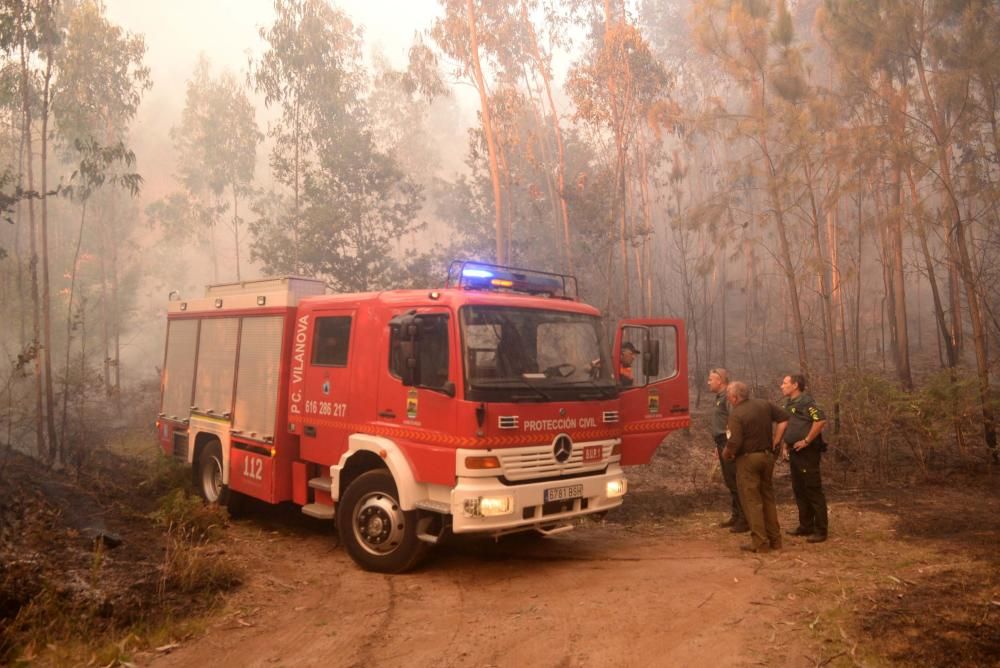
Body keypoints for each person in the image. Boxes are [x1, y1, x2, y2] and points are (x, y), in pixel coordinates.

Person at [722, 381, 789, 554]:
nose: (728, 399)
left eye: (729, 396)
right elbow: (784, 418)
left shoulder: (736, 414)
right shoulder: (764, 404)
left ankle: (759, 543)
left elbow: (735, 441)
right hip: (767, 457)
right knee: (767, 498)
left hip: (748, 460)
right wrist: (777, 440)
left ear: (735, 397)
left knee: (752, 501)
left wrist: (726, 454)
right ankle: (776, 540)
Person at [774, 374, 829, 543]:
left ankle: (820, 530)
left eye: (784, 383)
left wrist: (806, 441)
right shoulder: (789, 403)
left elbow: (820, 420)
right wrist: (785, 445)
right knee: (799, 489)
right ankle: (805, 526)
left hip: (807, 453)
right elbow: (791, 425)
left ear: (795, 385)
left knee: (812, 489)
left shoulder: (806, 402)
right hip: (794, 452)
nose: (781, 386)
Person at [707, 368, 747, 533]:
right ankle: (736, 515)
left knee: (736, 481)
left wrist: (730, 446)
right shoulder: (719, 398)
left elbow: (734, 422)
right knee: (730, 482)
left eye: (711, 379)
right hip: (721, 443)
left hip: (728, 443)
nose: (708, 382)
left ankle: (744, 520)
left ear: (720, 381)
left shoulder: (728, 398)